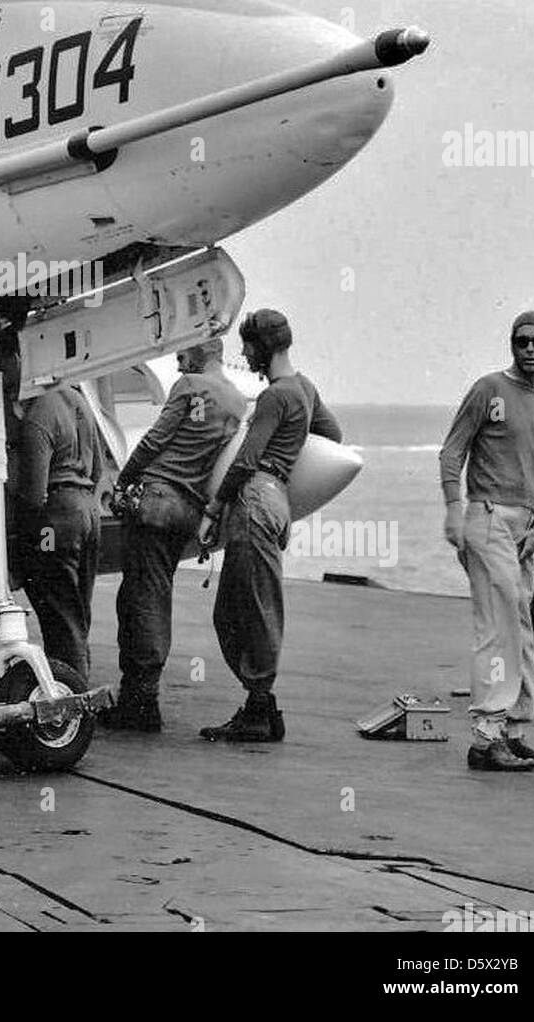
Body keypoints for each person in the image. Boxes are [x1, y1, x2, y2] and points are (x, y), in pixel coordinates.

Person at [198, 311, 342, 744]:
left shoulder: (274, 397)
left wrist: (213, 507)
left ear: (263, 346)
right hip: (275, 502)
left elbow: (246, 459)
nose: (243, 354)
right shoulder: (306, 390)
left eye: (247, 345)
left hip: (254, 502)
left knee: (246, 609)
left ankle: (259, 708)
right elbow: (332, 433)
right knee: (248, 606)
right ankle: (260, 705)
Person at [102, 338, 246, 732]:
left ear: (203, 349)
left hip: (155, 502)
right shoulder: (237, 401)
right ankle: (142, 697)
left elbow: (155, 440)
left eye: (182, 352)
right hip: (186, 510)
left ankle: (141, 703)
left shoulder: (190, 387)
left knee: (139, 600)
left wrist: (123, 481)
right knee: (155, 596)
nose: (178, 362)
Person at [438, 310, 534, 771]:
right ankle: (485, 739)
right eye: (522, 341)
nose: (530, 349)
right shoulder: (488, 390)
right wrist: (454, 508)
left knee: (522, 625)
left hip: (525, 527)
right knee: (498, 626)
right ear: (512, 344)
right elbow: (452, 451)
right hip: (487, 517)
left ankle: (513, 730)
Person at [13, 384, 103, 685]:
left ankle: (70, 694)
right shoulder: (80, 401)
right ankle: (78, 680)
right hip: (88, 509)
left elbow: (33, 492)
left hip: (58, 512)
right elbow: (99, 470)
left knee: (60, 612)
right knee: (78, 609)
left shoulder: (39, 413)